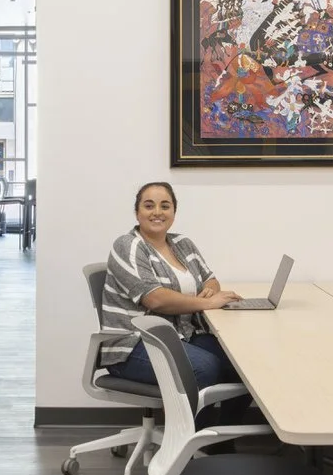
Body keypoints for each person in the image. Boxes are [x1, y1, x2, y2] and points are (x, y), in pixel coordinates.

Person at [100, 182, 250, 432]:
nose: (157, 212)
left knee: (244, 360)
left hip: (182, 335)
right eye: (149, 206)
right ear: (137, 212)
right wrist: (207, 302)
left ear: (174, 213)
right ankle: (188, 445)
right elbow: (154, 299)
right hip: (133, 344)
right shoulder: (127, 245)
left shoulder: (182, 243)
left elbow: (210, 278)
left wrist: (210, 289)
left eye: (165, 206)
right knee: (205, 367)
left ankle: (220, 440)